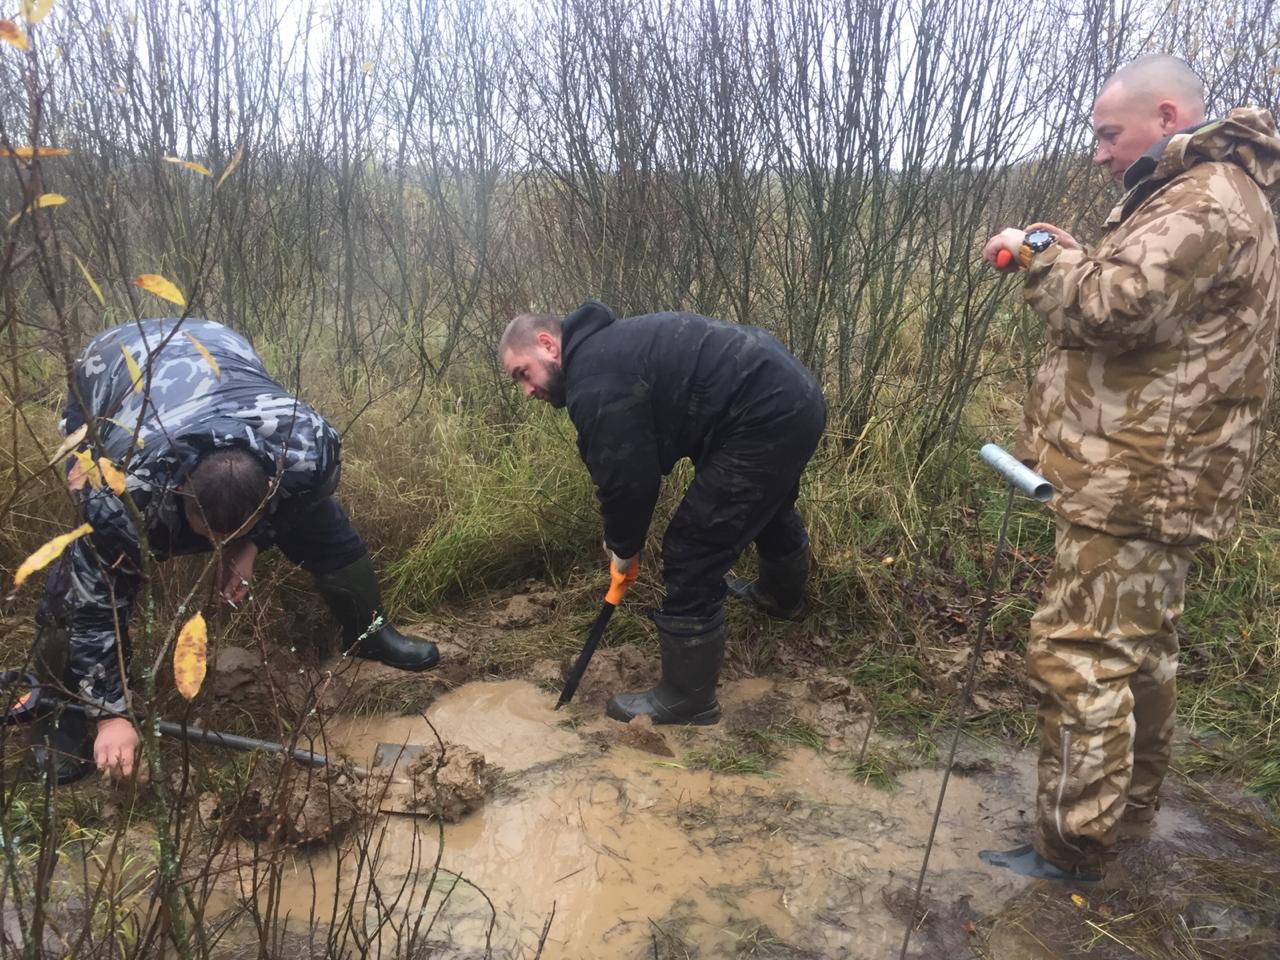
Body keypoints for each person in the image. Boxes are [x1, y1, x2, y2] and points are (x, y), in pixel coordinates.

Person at [979, 56, 1279, 880]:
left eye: (1110, 133)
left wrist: (1033, 257)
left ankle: (1073, 848)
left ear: (1168, 114)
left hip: (1139, 478)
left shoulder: (1205, 196)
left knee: (1080, 655)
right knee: (1141, 652)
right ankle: (1129, 815)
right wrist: (1083, 252)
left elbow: (1112, 308)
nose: (1101, 151)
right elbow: (1146, 303)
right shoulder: (1220, 194)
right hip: (1164, 475)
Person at [31, 318, 439, 785]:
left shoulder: (304, 449)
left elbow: (300, 506)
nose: (214, 546)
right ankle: (61, 710)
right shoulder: (122, 494)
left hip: (215, 345)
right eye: (205, 533)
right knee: (77, 589)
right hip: (111, 369)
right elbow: (93, 605)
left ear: (270, 487)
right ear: (180, 490)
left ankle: (369, 633)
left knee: (324, 529)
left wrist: (250, 545)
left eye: (235, 530)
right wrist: (111, 714)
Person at [499, 300, 825, 724]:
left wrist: (622, 548)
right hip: (791, 397)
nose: (527, 390)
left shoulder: (594, 379)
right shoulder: (605, 352)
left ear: (548, 344)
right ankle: (782, 598)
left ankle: (688, 699)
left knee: (692, 546)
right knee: (763, 502)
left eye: (523, 373)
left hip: (765, 413)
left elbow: (628, 479)